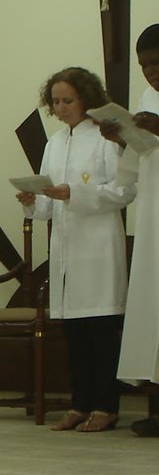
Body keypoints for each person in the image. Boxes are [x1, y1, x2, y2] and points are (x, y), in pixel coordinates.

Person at [16, 67, 135, 432]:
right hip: (66, 250)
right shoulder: (54, 144)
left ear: (86, 98)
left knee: (101, 332)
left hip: (98, 248)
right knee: (76, 334)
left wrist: (75, 193)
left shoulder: (104, 138)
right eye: (55, 101)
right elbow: (48, 206)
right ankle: (80, 403)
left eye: (68, 100)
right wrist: (32, 201)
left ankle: (106, 406)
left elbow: (123, 191)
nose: (61, 107)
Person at [102, 24, 159, 436]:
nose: (150, 72)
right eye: (144, 66)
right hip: (153, 212)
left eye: (156, 63)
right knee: (153, 306)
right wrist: (122, 137)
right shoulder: (146, 98)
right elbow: (144, 155)